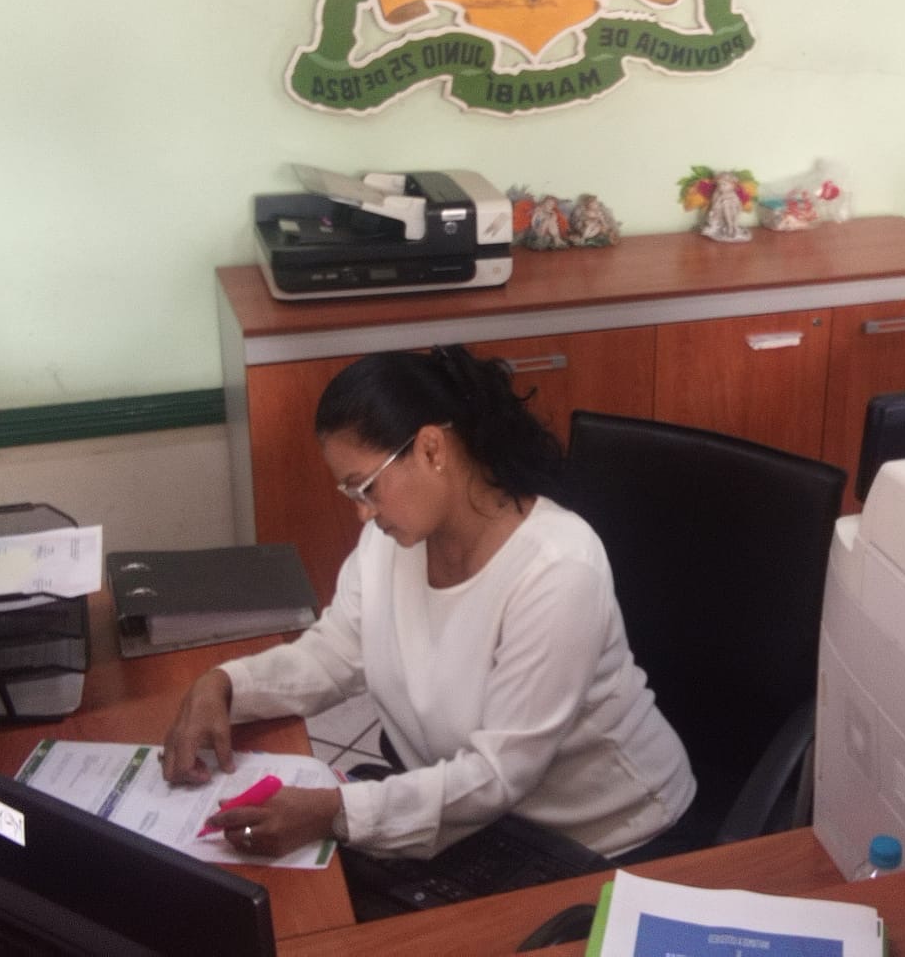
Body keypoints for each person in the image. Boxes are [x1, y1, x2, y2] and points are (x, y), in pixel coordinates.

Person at [161, 345, 694, 872]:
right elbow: (334, 654)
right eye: (351, 493)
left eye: (366, 487)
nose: (363, 514)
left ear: (432, 449)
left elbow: (500, 774)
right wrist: (226, 685)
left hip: (610, 839)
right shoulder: (392, 543)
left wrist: (336, 812)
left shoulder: (556, 569)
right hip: (485, 827)